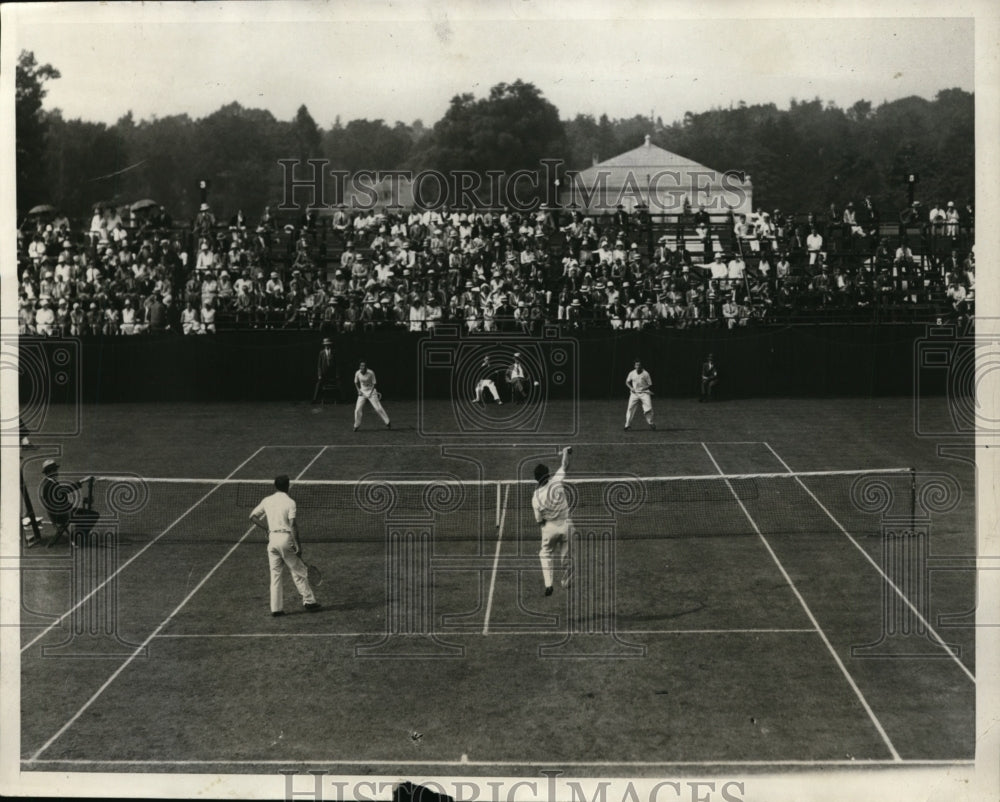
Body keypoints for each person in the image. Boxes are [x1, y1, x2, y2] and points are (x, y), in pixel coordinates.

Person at [249, 474, 320, 616]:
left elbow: (252, 517)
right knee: (298, 571)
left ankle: (276, 609)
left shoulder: (267, 500)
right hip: (285, 539)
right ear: (288, 486)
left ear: (275, 486)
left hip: (272, 540)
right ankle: (310, 601)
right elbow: (293, 525)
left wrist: (267, 529)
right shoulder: (290, 502)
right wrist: (298, 545)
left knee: (275, 575)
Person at [532, 446, 574, 596]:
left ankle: (549, 585)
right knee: (566, 554)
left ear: (536, 479)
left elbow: (539, 521)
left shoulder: (536, 497)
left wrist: (546, 527)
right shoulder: (556, 480)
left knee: (545, 554)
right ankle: (568, 571)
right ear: (548, 474)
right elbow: (565, 465)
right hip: (567, 525)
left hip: (549, 528)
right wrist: (565, 452)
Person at [39, 459, 95, 547]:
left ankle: (78, 535)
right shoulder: (49, 485)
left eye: (56, 470)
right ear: (49, 472)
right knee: (91, 515)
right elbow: (65, 491)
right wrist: (82, 481)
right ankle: (76, 538)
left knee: (91, 514)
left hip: (63, 512)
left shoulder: (50, 483)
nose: (57, 472)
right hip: (61, 515)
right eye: (54, 470)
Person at [353, 361, 391, 431]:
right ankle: (356, 425)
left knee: (378, 408)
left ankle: (387, 422)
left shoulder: (371, 372)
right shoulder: (357, 373)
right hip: (362, 392)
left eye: (364, 366)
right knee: (357, 409)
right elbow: (356, 382)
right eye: (361, 366)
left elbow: (374, 383)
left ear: (366, 367)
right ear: (359, 367)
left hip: (372, 391)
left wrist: (370, 392)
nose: (362, 367)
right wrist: (358, 390)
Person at [624, 359, 655, 431]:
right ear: (634, 366)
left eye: (639, 365)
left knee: (649, 408)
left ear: (641, 366)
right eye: (637, 365)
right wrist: (631, 388)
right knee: (630, 409)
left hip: (644, 393)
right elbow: (627, 382)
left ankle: (651, 423)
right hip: (634, 394)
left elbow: (650, 384)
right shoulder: (631, 373)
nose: (638, 366)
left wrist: (644, 388)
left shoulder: (646, 373)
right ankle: (627, 425)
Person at [312, 338, 339, 404]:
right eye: (326, 344)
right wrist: (319, 375)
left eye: (328, 344)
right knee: (318, 384)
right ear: (324, 345)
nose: (327, 345)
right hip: (324, 374)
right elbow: (319, 365)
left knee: (339, 383)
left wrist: (337, 374)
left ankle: (343, 399)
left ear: (330, 344)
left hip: (332, 373)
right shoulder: (321, 353)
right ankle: (314, 399)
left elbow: (337, 364)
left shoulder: (334, 352)